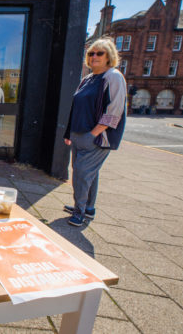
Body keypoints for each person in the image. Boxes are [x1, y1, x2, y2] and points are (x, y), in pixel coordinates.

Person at [63, 37, 127, 226]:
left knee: (82, 174)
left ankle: (79, 211)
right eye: (91, 53)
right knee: (89, 173)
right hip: (78, 134)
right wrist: (68, 133)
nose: (94, 56)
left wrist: (94, 133)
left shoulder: (113, 77)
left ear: (109, 56)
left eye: (100, 53)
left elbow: (115, 110)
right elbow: (76, 108)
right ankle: (88, 208)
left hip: (97, 137)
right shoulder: (87, 79)